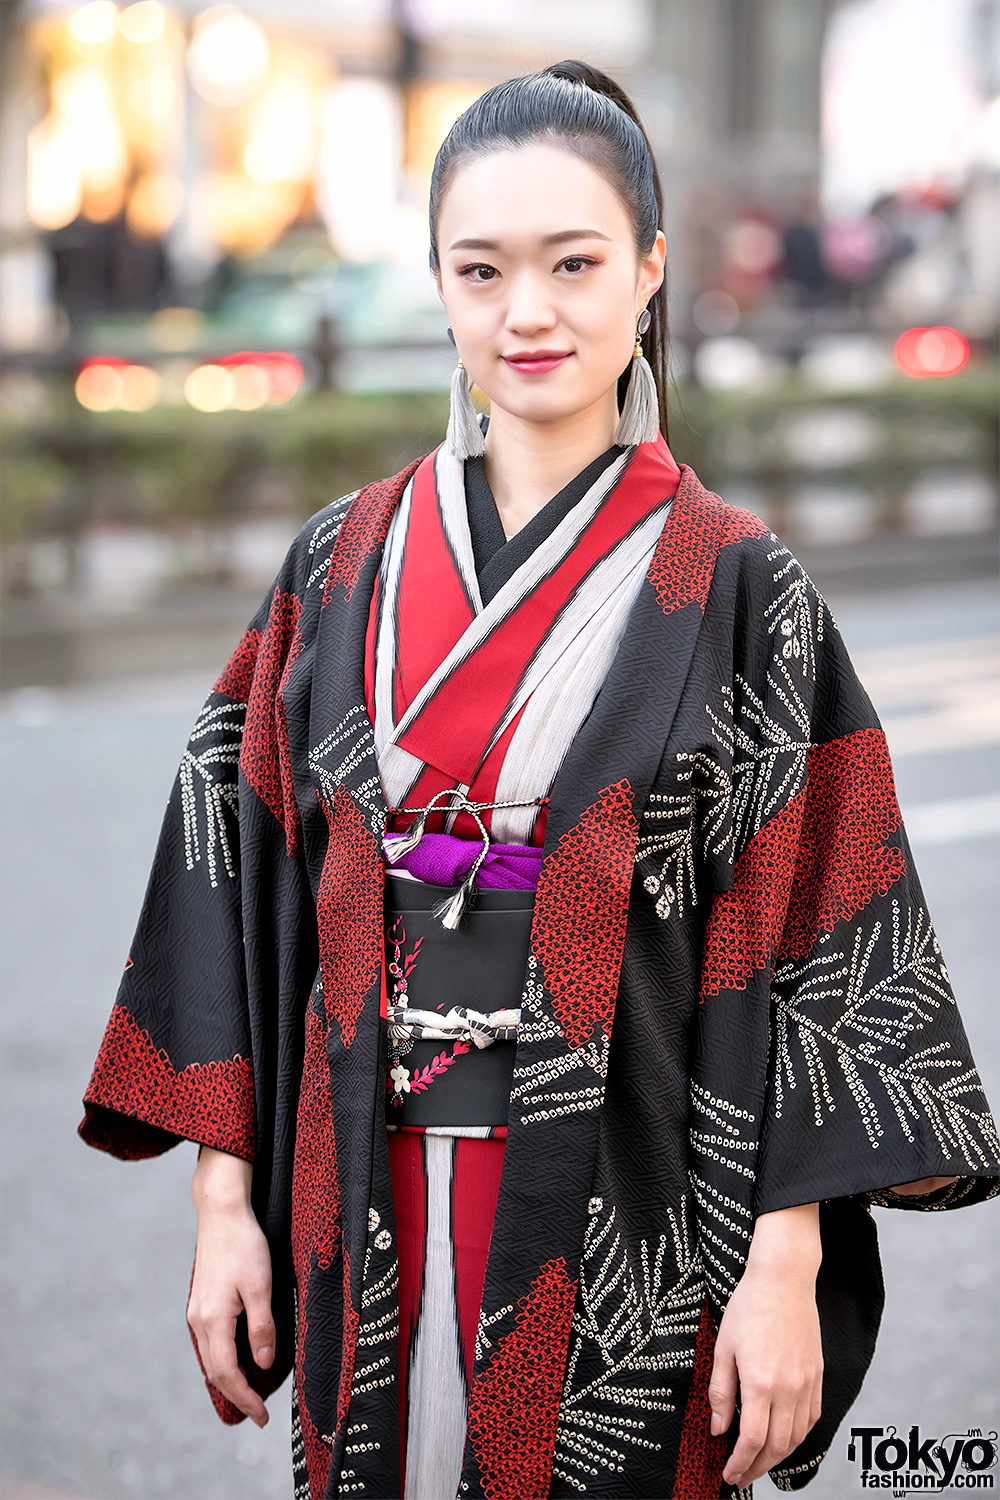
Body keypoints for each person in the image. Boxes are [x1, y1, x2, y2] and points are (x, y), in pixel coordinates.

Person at [78, 61, 1000, 1500]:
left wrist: (786, 1265)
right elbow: (233, 886)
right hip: (359, 1189)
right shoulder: (338, 566)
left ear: (649, 270)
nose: (528, 312)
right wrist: (222, 1205)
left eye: (575, 263)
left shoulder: (739, 584)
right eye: (481, 269)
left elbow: (820, 933)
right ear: (439, 285)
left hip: (631, 1206)